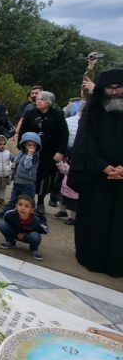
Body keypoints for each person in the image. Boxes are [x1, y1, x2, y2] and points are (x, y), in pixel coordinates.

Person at [68, 67, 123, 277]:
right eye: (109, 88)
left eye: (119, 87)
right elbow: (85, 142)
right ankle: (92, 257)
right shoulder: (93, 112)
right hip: (97, 178)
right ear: (102, 89)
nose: (114, 92)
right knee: (96, 220)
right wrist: (102, 166)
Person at [19, 91, 68, 214]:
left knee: (44, 177)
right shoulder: (30, 113)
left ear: (49, 102)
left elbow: (64, 134)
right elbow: (23, 131)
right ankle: (26, 201)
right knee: (28, 174)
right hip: (31, 150)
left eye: (42, 99)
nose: (38, 101)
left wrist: (60, 151)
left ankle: (40, 201)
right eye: (38, 99)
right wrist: (22, 148)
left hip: (49, 152)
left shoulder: (57, 115)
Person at [0, 131, 41, 217]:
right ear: (24, 145)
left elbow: (27, 166)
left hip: (28, 184)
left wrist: (30, 155)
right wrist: (13, 165)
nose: (32, 147)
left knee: (29, 202)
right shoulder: (21, 153)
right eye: (29, 145)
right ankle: (6, 213)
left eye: (34, 145)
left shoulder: (35, 156)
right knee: (13, 201)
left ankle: (32, 218)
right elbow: (16, 162)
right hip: (17, 181)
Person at [0, 195, 48, 261]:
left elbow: (45, 230)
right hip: (15, 234)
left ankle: (34, 249)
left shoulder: (36, 220)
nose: (22, 208)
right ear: (16, 207)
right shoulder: (10, 214)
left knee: (35, 236)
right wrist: (17, 232)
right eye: (20, 205)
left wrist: (25, 233)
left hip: (28, 237)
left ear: (32, 210)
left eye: (26, 206)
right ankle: (10, 241)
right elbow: (6, 219)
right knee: (2, 224)